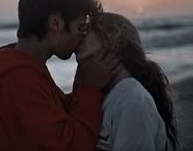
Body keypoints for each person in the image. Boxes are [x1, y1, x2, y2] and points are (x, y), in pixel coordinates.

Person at [0, 0, 117, 151]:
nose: (82, 36)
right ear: (56, 23)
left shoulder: (23, 70)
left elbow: (56, 120)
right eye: (80, 27)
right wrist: (89, 88)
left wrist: (83, 81)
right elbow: (72, 146)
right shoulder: (19, 80)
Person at [76, 12, 179, 151]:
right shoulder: (104, 96)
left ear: (111, 38)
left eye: (89, 28)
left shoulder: (131, 98)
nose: (80, 35)